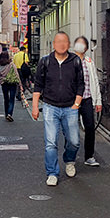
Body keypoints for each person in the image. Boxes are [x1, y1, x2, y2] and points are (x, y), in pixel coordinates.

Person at [32, 32, 85, 187]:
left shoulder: (75, 61)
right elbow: (38, 85)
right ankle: (52, 173)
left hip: (70, 107)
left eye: (65, 42)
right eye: (58, 41)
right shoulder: (45, 62)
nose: (62, 44)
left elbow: (81, 84)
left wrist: (76, 103)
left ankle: (69, 161)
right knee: (50, 143)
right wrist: (36, 106)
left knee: (74, 141)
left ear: (68, 45)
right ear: (53, 44)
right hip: (50, 106)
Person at [73, 36, 102, 167]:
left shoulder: (89, 61)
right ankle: (70, 157)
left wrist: (98, 101)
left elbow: (95, 80)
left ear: (85, 48)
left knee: (90, 127)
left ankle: (89, 156)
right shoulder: (69, 60)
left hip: (87, 98)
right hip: (72, 100)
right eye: (77, 43)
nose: (79, 45)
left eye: (81, 43)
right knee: (71, 129)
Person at [0, 51, 21, 121]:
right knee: (12, 99)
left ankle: (6, 114)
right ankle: (9, 114)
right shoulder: (11, 65)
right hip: (13, 83)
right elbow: (17, 75)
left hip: (4, 84)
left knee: (6, 99)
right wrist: (20, 85)